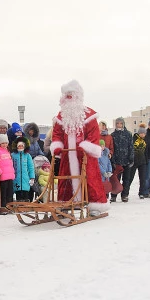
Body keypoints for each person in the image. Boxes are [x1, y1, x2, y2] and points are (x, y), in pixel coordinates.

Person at [48, 80, 109, 214]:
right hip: (67, 155)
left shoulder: (89, 115)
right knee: (66, 180)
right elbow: (57, 133)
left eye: (71, 94)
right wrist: (57, 146)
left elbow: (94, 134)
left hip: (85, 156)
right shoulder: (61, 116)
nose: (68, 97)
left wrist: (86, 146)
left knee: (91, 179)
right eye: (66, 94)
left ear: (78, 95)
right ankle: (66, 203)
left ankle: (95, 205)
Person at [110, 117, 133, 203]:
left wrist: (131, 159)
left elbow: (131, 147)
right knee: (116, 179)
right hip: (117, 162)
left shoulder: (128, 134)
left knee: (126, 180)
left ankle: (125, 195)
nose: (119, 125)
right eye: (117, 123)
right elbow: (112, 148)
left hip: (126, 161)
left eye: (120, 123)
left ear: (123, 124)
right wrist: (113, 160)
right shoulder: (113, 135)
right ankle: (113, 195)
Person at [0, 134, 16, 208]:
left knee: (10, 192)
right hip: (3, 176)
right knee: (4, 192)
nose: (4, 145)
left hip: (10, 175)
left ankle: (10, 205)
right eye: (3, 143)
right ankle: (3, 206)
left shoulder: (7, 151)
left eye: (6, 143)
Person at [12, 137, 36, 202]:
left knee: (26, 194)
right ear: (16, 147)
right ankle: (19, 208)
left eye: (22, 146)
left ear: (24, 146)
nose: (20, 147)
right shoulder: (13, 155)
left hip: (26, 178)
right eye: (19, 146)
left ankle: (26, 207)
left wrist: (32, 178)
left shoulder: (27, 155)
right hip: (16, 179)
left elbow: (31, 167)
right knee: (18, 194)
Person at [130, 124, 148, 200]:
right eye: (141, 133)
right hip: (134, 161)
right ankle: (125, 192)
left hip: (142, 161)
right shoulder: (134, 139)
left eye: (143, 133)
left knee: (143, 178)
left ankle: (142, 193)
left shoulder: (145, 140)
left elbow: (146, 151)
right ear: (138, 133)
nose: (142, 135)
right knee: (130, 177)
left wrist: (146, 160)